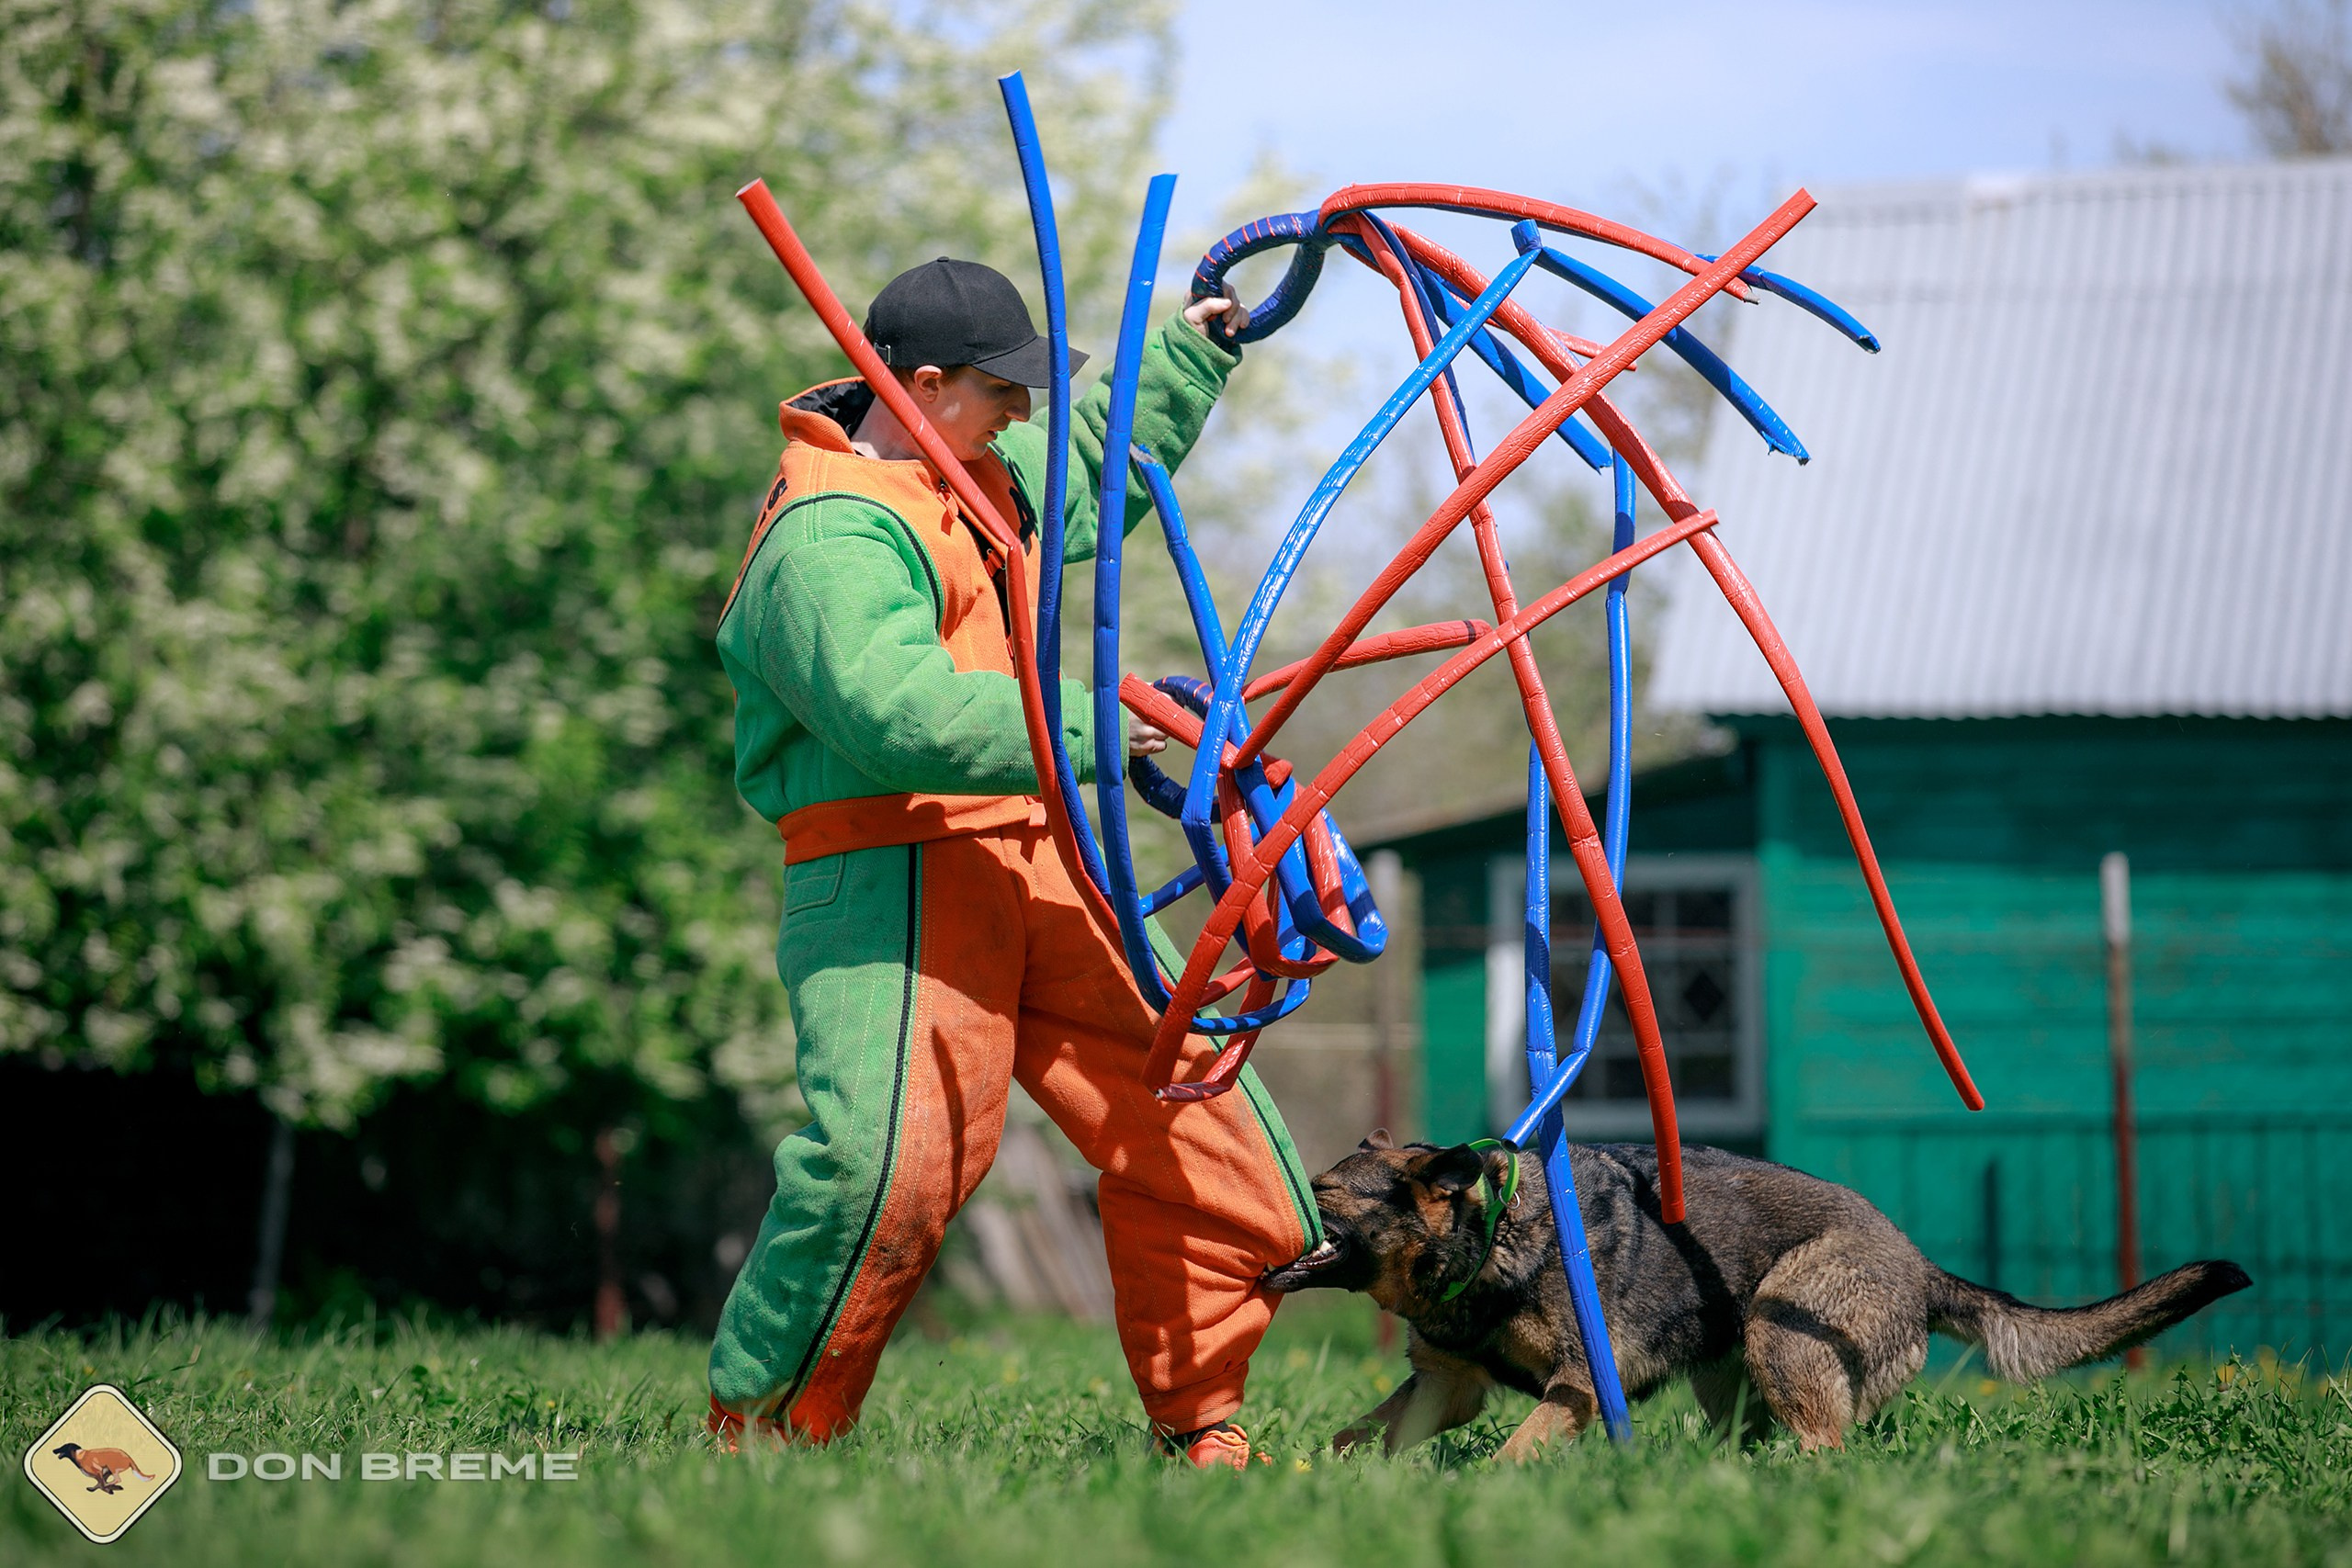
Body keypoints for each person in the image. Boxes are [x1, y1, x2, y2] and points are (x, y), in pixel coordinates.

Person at [707, 255, 1319, 1469]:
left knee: (1201, 1123)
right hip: (895, 870)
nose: (1024, 415)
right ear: (924, 386)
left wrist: (1191, 350)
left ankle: (1202, 1426)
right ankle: (767, 1432)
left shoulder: (975, 473)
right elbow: (899, 713)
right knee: (890, 1173)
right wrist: (1091, 723)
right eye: (1004, 392)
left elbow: (1088, 460)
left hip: (1035, 855)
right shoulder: (826, 534)